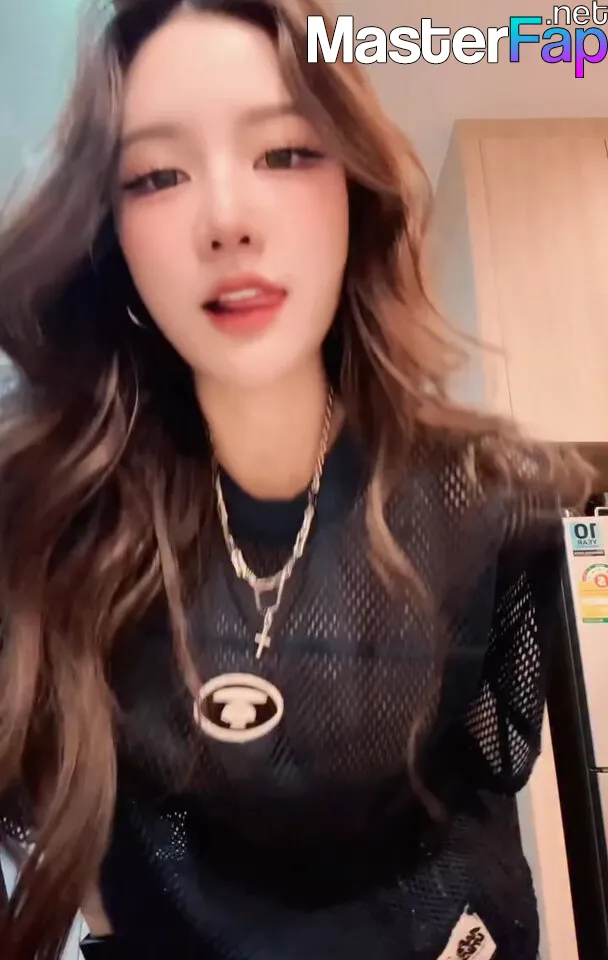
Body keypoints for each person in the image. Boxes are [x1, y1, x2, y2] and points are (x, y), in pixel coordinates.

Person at [0, 0, 594, 957]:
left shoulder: (492, 503)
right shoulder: (52, 520)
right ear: (110, 234)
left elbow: (486, 782)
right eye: (157, 175)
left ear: (354, 187)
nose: (227, 221)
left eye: (283, 153)